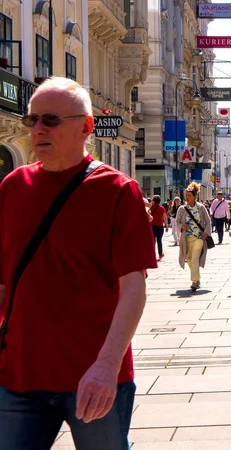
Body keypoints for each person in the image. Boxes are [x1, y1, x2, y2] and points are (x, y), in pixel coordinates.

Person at [0, 77, 157, 449]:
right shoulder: (12, 186)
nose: (38, 129)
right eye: (31, 120)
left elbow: (133, 287)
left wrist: (106, 367)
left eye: (50, 120)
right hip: (18, 375)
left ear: (86, 127)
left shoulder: (117, 189)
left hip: (94, 377)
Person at [176, 183, 211, 291]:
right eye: (186, 195)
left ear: (195, 196)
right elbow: (177, 222)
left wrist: (206, 232)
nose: (187, 197)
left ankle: (194, 281)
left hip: (199, 238)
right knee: (189, 259)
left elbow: (208, 221)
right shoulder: (182, 209)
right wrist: (182, 226)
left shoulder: (201, 208)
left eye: (189, 195)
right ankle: (197, 278)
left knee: (195, 258)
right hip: (186, 238)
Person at [149, 195, 169, 260]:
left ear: (154, 201)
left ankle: (152, 255)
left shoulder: (151, 207)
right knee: (159, 240)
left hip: (152, 226)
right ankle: (160, 254)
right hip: (160, 226)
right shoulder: (162, 208)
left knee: (153, 241)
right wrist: (166, 226)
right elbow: (165, 217)